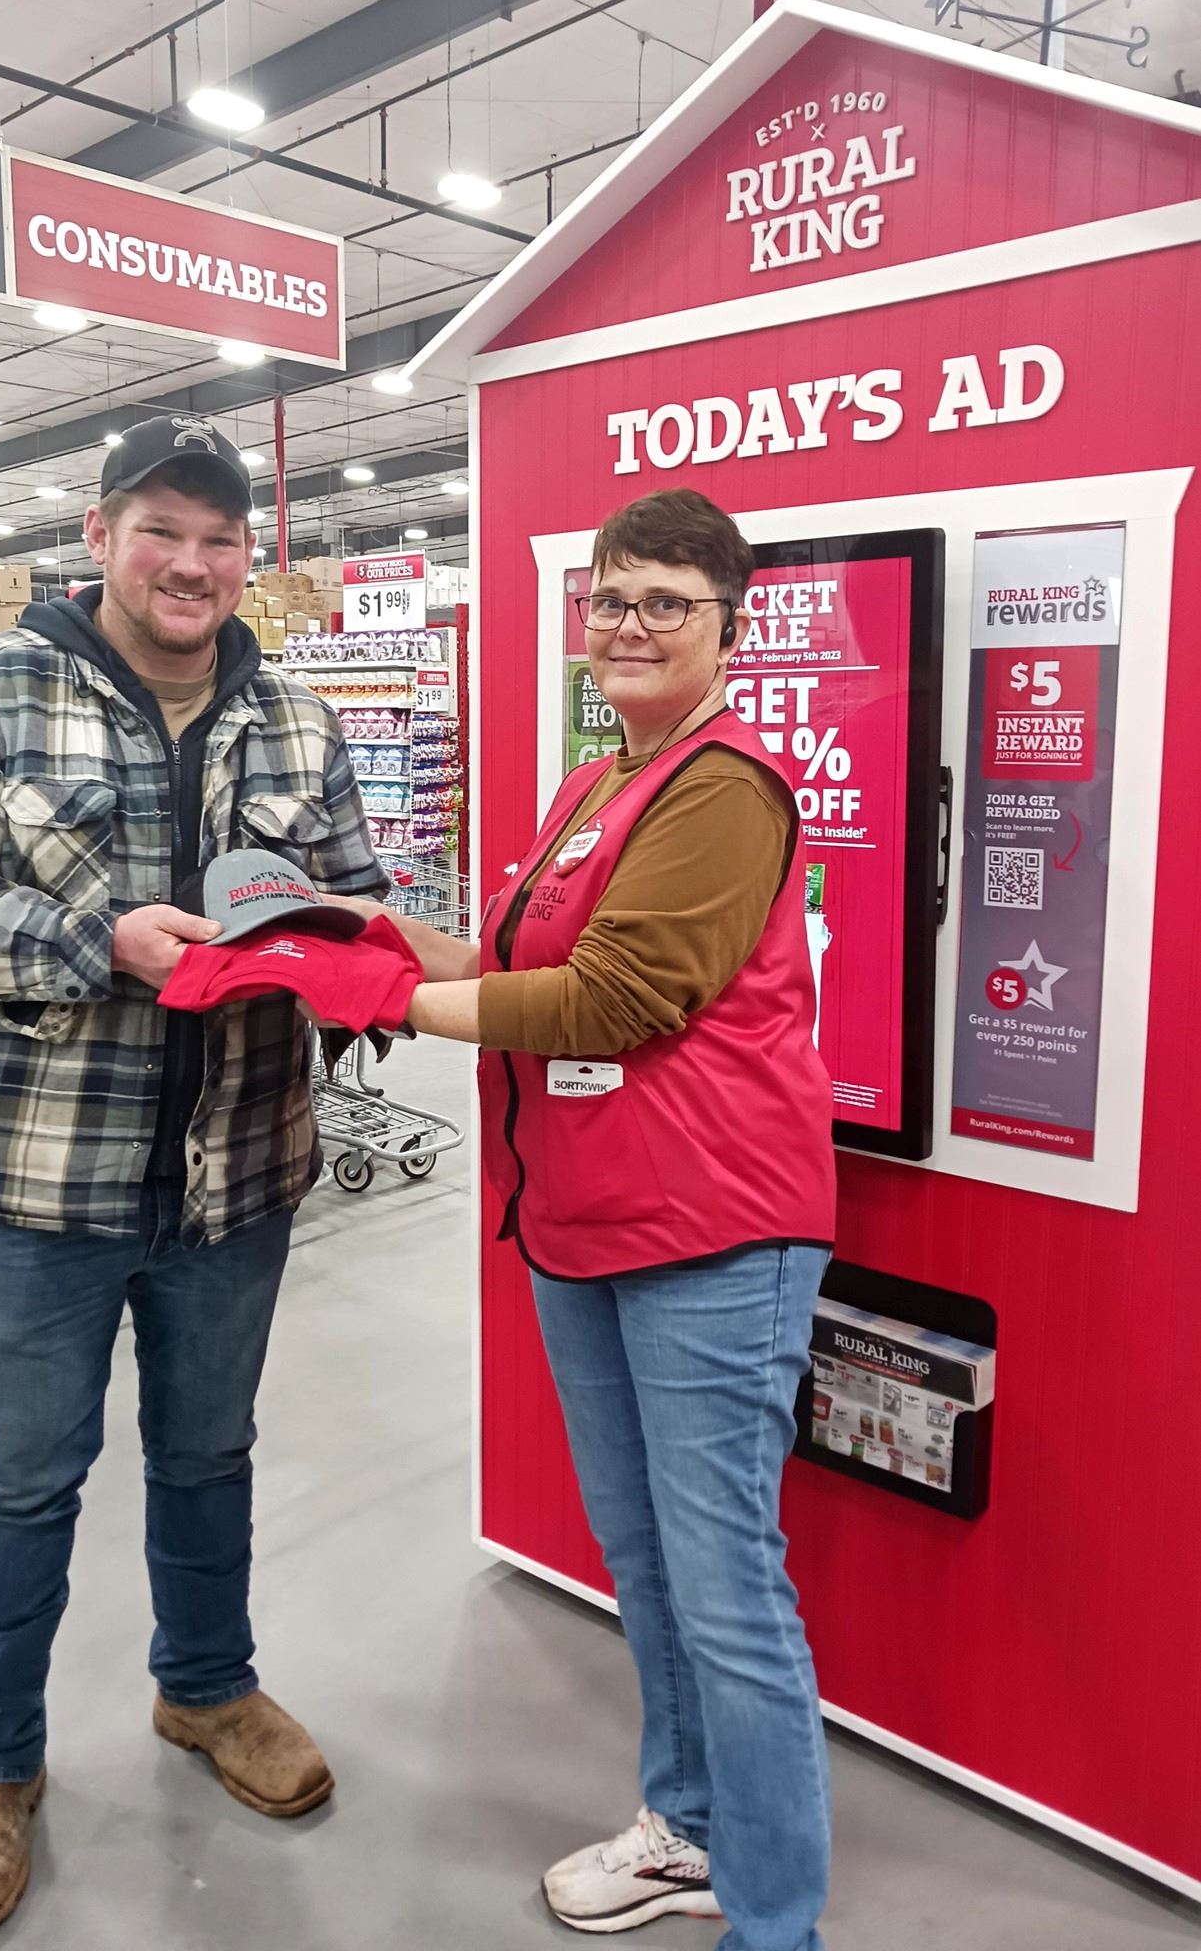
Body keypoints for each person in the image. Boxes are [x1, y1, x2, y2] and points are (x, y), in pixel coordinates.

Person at [0, 415, 388, 1933]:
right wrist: (98, 946)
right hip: (40, 1178)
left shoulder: (292, 717)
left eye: (222, 540)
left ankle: (205, 1690)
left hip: (238, 1171)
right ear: (101, 535)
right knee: (25, 1481)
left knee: (209, 1453)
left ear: (247, 562)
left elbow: (348, 892)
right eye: (165, 528)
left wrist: (353, 960)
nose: (193, 563)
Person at [346, 489, 836, 1950]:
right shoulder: (595, 783)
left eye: (663, 603)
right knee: (643, 1560)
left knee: (728, 1592)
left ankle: (773, 1918)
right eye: (609, 598)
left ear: (728, 627)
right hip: (590, 1224)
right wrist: (334, 937)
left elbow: (617, 1001)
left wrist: (391, 1003)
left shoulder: (724, 785)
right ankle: (684, 1826)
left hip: (711, 1234)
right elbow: (507, 962)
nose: (626, 625)